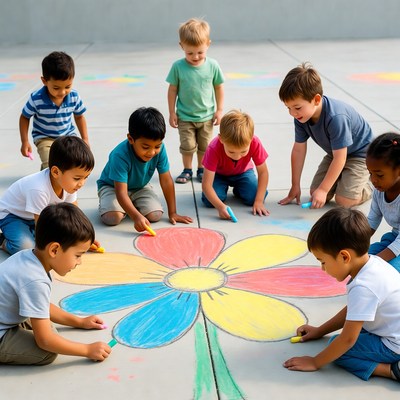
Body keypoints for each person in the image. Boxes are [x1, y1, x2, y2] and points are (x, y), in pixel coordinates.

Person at [284, 208, 400, 382]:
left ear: (344, 256)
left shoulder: (364, 286)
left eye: (323, 262)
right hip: (393, 331)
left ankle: (391, 370)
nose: (323, 269)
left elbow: (347, 340)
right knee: (343, 340)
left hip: (394, 345)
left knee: (338, 349)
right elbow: (353, 311)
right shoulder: (374, 263)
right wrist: (319, 331)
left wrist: (316, 362)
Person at [0, 203, 112, 365]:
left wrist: (79, 321)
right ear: (54, 250)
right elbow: (45, 341)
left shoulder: (28, 256)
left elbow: (42, 304)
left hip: (5, 314)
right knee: (47, 352)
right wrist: (87, 350)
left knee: (51, 331)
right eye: (78, 255)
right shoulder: (34, 280)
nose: (79, 262)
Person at [278, 62, 373, 209]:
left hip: (360, 154)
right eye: (288, 108)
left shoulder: (336, 117)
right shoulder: (301, 116)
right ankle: (344, 179)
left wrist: (323, 189)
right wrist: (295, 185)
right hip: (336, 153)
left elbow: (340, 158)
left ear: (316, 100)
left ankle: (369, 184)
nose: (292, 113)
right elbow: (298, 150)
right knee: (314, 193)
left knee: (344, 200)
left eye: (297, 107)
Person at [97, 106, 193, 231]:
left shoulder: (160, 150)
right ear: (131, 139)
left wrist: (173, 212)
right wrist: (136, 216)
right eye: (146, 147)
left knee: (155, 215)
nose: (152, 152)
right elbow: (121, 192)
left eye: (157, 146)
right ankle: (116, 206)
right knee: (113, 218)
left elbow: (166, 181)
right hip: (113, 187)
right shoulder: (119, 155)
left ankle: (129, 206)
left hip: (140, 186)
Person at [0, 136, 95, 255]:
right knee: (27, 248)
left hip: (35, 215)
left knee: (55, 237)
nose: (82, 183)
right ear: (56, 172)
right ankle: (3, 241)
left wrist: (83, 239)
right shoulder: (38, 189)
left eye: (86, 177)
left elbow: (74, 214)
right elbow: (42, 227)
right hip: (12, 216)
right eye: (77, 178)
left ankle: (26, 233)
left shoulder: (69, 184)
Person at [166, 17, 224, 184]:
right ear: (181, 46)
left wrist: (219, 110)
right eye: (189, 53)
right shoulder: (178, 67)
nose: (195, 56)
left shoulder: (213, 65)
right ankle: (187, 169)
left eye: (200, 52)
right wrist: (172, 112)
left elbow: (219, 87)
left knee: (205, 146)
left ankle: (201, 168)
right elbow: (172, 90)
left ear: (208, 44)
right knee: (187, 145)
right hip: (185, 116)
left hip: (207, 116)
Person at [19, 51, 89, 170]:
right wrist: (25, 141)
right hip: (44, 138)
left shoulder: (74, 96)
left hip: (67, 136)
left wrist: (85, 139)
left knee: (71, 164)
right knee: (51, 165)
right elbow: (24, 117)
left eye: (67, 86)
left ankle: (54, 180)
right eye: (56, 88)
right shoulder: (36, 99)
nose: (62, 92)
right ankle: (46, 183)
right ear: (44, 81)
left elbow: (79, 116)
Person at [201, 110, 269, 219]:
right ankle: (225, 189)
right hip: (219, 175)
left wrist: (259, 201)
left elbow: (263, 172)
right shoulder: (213, 148)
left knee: (253, 197)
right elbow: (206, 185)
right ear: (221, 139)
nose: (237, 157)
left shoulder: (255, 142)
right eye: (231, 152)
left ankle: (239, 189)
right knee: (209, 202)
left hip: (243, 173)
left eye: (243, 152)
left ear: (251, 140)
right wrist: (220, 206)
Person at [366, 132, 400, 272]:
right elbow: (372, 221)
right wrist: (353, 243)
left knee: (390, 270)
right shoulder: (379, 191)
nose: (373, 180)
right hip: (394, 238)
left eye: (379, 175)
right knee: (364, 258)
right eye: (370, 173)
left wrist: (378, 261)